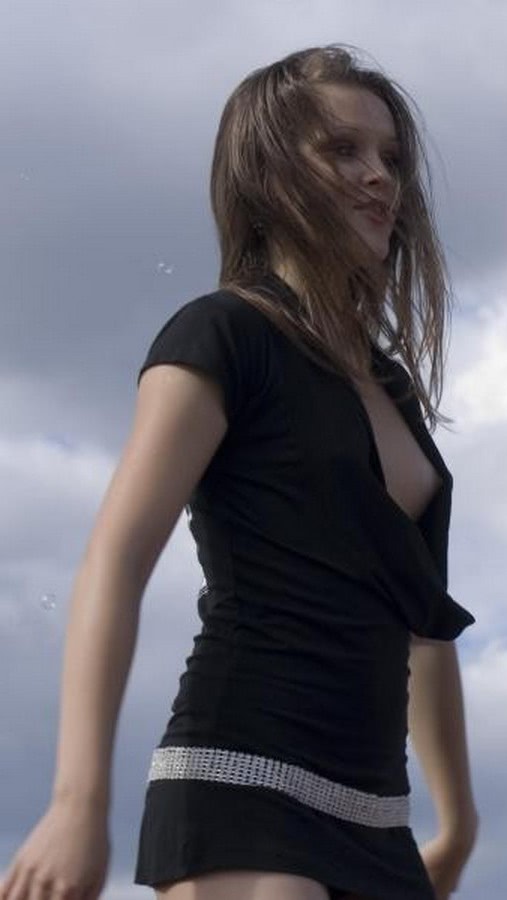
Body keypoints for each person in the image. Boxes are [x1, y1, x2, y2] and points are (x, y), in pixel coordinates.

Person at [0, 44, 478, 900]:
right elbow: (116, 558)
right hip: (239, 779)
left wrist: (459, 817)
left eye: (390, 156)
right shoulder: (221, 336)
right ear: (267, 174)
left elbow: (423, 625)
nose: (380, 177)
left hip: (379, 820)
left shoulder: (393, 389)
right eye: (343, 150)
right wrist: (78, 801)